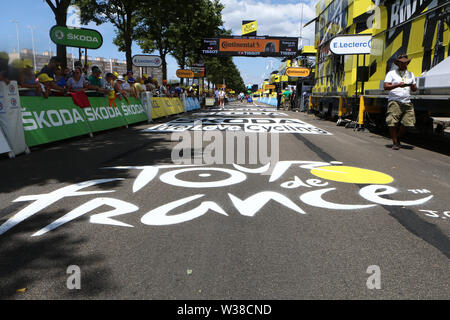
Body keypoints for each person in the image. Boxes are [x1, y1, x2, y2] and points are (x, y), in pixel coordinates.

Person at [384, 54, 417, 150]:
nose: (403, 64)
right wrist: (398, 85)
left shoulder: (411, 74)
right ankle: (395, 142)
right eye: (401, 63)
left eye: (405, 62)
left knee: (408, 122)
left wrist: (413, 86)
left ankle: (397, 138)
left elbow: (414, 89)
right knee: (392, 122)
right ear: (398, 63)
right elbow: (386, 87)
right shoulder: (391, 73)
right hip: (395, 100)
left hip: (407, 101)